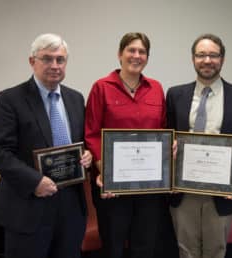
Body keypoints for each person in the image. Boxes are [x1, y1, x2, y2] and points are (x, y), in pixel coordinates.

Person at [0, 33, 93, 258]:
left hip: (70, 207)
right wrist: (35, 181)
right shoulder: (9, 99)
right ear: (32, 61)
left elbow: (80, 144)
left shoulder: (75, 98)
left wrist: (88, 156)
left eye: (60, 59)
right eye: (47, 59)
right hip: (27, 207)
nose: (55, 65)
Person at [166, 33, 232, 258]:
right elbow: (167, 140)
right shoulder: (175, 95)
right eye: (201, 55)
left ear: (222, 59)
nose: (207, 60)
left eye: (213, 55)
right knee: (186, 250)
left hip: (222, 191)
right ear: (193, 59)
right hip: (184, 190)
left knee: (216, 250)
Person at [85, 32, 167, 258]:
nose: (136, 56)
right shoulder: (101, 87)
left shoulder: (156, 88)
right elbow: (92, 134)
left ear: (147, 57)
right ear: (120, 54)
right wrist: (106, 171)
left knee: (145, 244)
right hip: (113, 185)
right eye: (131, 50)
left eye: (142, 52)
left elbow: (163, 131)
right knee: (113, 245)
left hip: (149, 186)